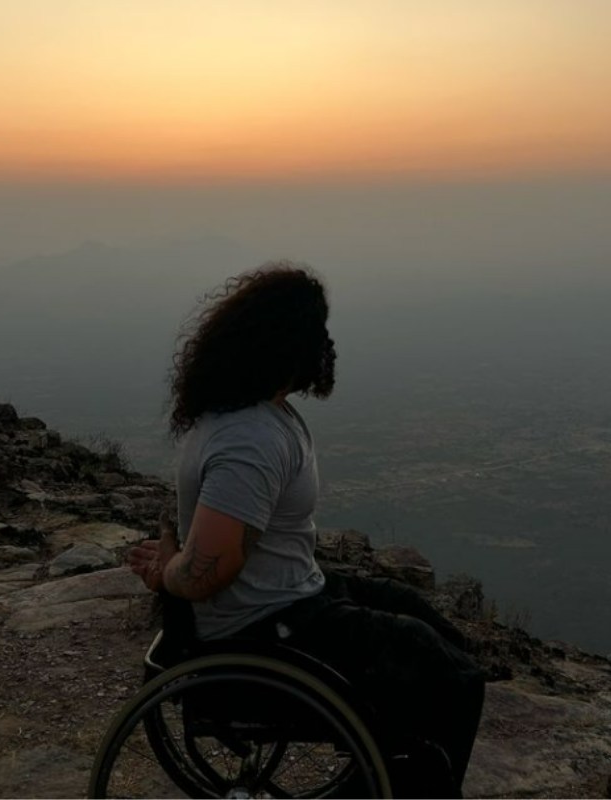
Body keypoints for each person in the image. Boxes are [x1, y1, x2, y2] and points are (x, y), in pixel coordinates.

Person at [129, 262, 484, 797]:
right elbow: (207, 573)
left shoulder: (259, 415)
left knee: (430, 628)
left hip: (293, 600)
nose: (326, 346)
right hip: (266, 627)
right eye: (317, 333)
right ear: (288, 344)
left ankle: (390, 776)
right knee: (449, 676)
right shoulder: (249, 440)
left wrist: (176, 567)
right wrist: (168, 574)